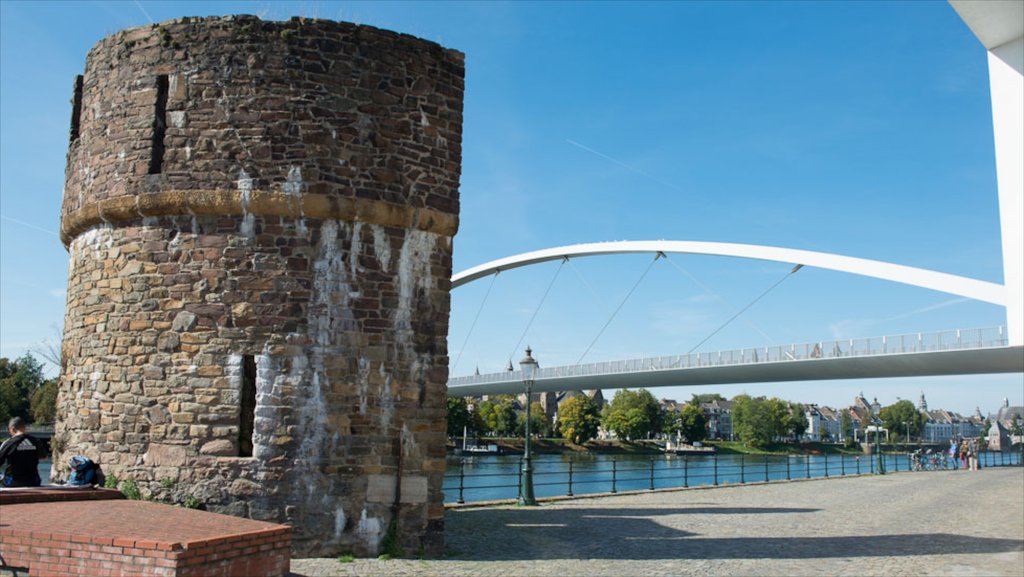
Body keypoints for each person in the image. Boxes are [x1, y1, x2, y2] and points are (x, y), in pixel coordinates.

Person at [0, 417, 43, 487]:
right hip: (33, 482)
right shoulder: (36, 441)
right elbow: (43, 456)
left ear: (12, 429)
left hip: (13, 482)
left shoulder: (8, 443)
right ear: (24, 428)